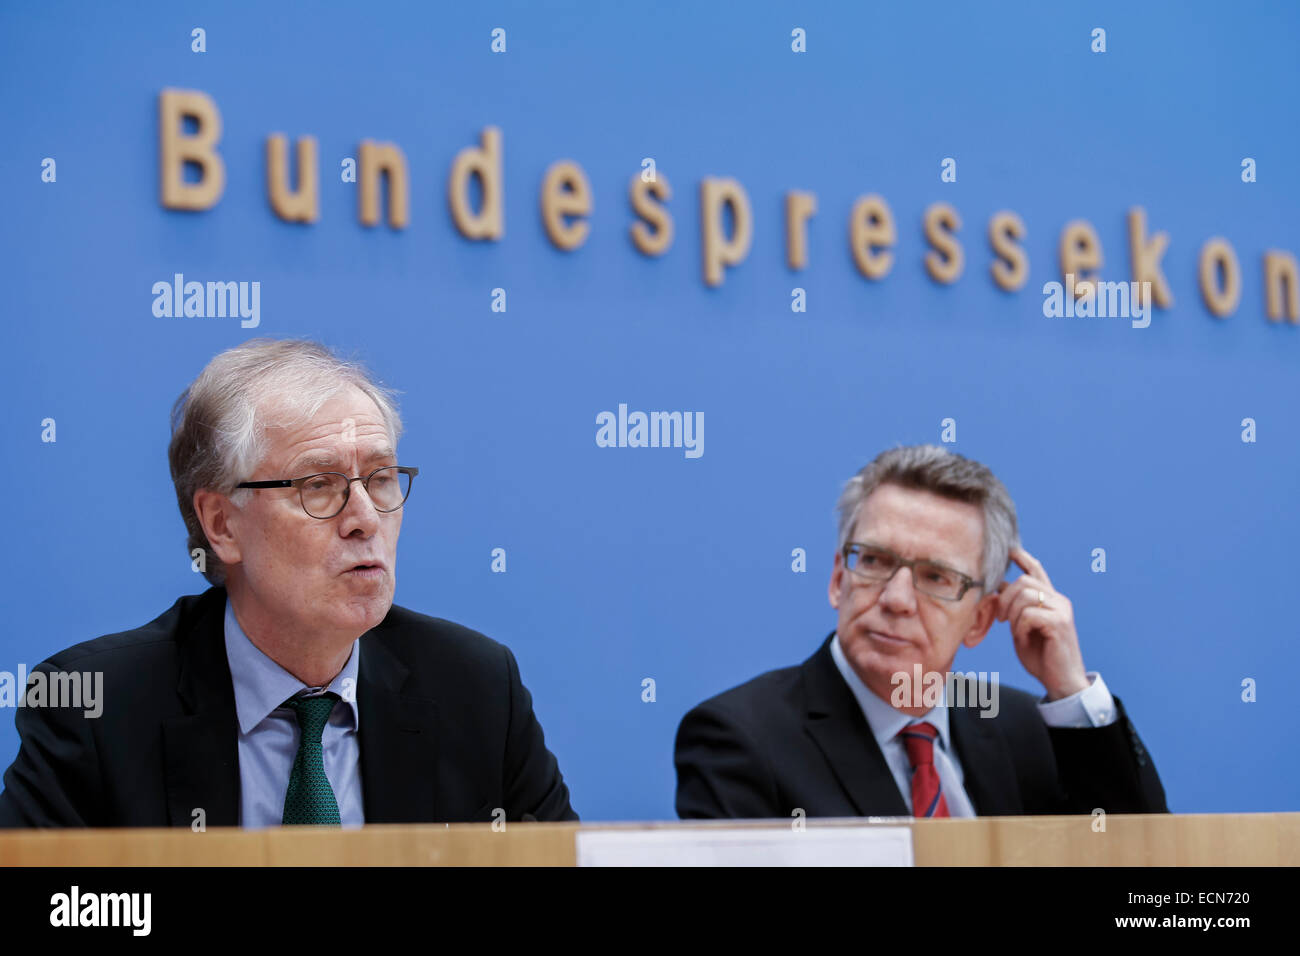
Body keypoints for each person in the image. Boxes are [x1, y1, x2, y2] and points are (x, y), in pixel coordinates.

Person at [0, 338, 577, 827]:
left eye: (380, 478)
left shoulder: (475, 689)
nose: (365, 518)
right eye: (319, 485)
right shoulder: (96, 709)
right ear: (222, 524)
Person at [675, 444, 1166, 819]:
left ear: (980, 618)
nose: (895, 599)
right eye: (874, 561)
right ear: (837, 579)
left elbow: (1147, 875)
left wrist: (1070, 691)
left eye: (935, 577)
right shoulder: (742, 739)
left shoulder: (1024, 731)